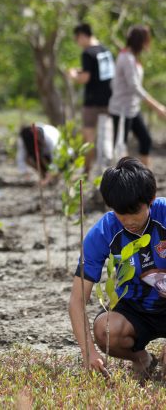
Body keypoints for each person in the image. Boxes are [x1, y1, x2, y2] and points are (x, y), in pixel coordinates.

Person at [69, 157, 166, 380]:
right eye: (121, 213)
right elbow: (76, 300)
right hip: (137, 308)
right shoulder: (104, 231)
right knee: (106, 330)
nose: (129, 220)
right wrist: (89, 353)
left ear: (150, 200)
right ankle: (143, 359)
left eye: (135, 212)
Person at [108, 25, 166, 166]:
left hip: (133, 109)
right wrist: (157, 107)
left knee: (145, 139)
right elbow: (134, 87)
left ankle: (145, 179)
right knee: (121, 148)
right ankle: (124, 182)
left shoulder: (132, 57)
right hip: (121, 111)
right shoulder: (126, 58)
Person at [68, 23, 114, 173]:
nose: (78, 43)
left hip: (92, 102)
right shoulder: (105, 50)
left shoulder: (87, 53)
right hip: (108, 100)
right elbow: (99, 72)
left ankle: (87, 171)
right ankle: (107, 170)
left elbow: (85, 78)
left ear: (82, 35)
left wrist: (73, 75)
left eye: (77, 39)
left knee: (88, 138)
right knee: (106, 138)